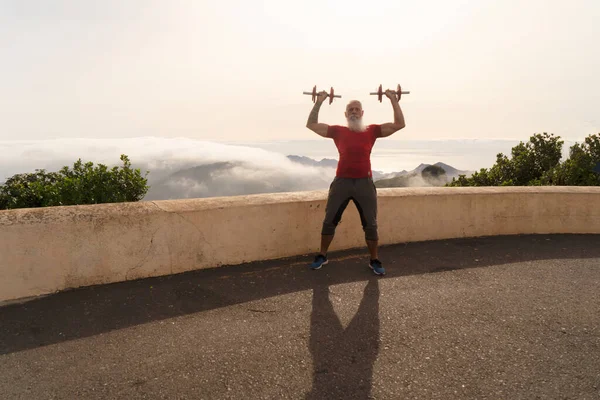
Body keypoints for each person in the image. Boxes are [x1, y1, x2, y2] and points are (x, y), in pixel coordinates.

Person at [305, 88, 406, 275]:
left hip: (364, 183)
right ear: (345, 114)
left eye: (356, 109)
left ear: (362, 113)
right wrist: (319, 101)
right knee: (329, 221)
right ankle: (322, 255)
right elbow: (311, 124)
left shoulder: (372, 130)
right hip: (342, 182)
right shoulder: (338, 131)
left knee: (371, 224)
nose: (353, 112)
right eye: (350, 109)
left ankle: (374, 259)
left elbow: (399, 124)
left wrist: (393, 99)